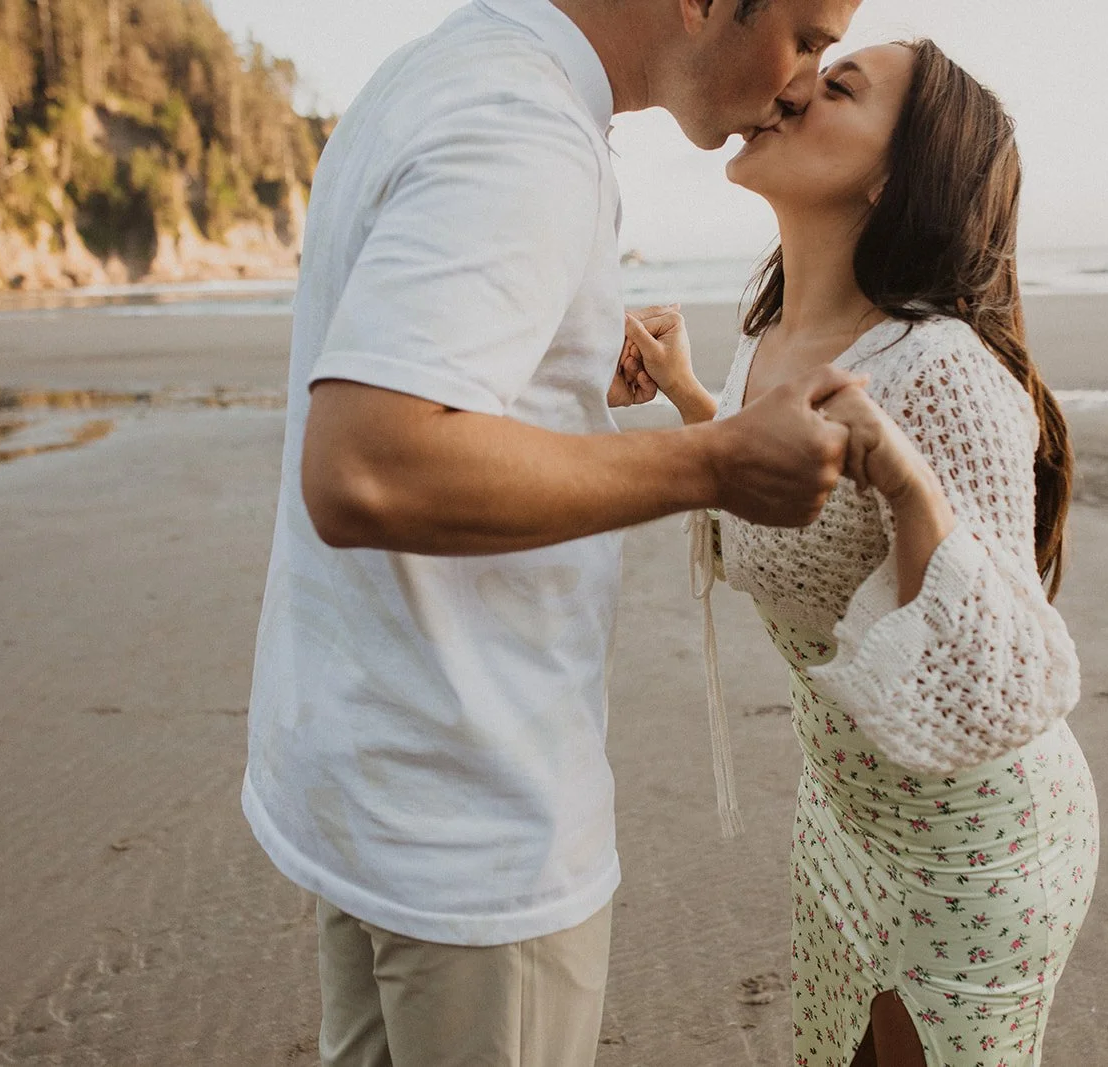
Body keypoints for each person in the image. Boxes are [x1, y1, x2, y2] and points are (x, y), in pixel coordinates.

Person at [241, 1, 868, 1064]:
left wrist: (550, 366)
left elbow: (404, 400)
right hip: (470, 813)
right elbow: (365, 467)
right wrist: (708, 462)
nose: (804, 75)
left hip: (371, 773)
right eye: (807, 34)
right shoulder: (522, 127)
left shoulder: (448, 68)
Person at [619, 39, 1100, 1067]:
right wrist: (696, 400)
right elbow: (792, 513)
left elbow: (988, 668)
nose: (790, 86)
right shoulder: (767, 337)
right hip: (842, 815)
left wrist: (908, 483)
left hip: (974, 848)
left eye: (837, 87)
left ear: (899, 174)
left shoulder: (940, 372)